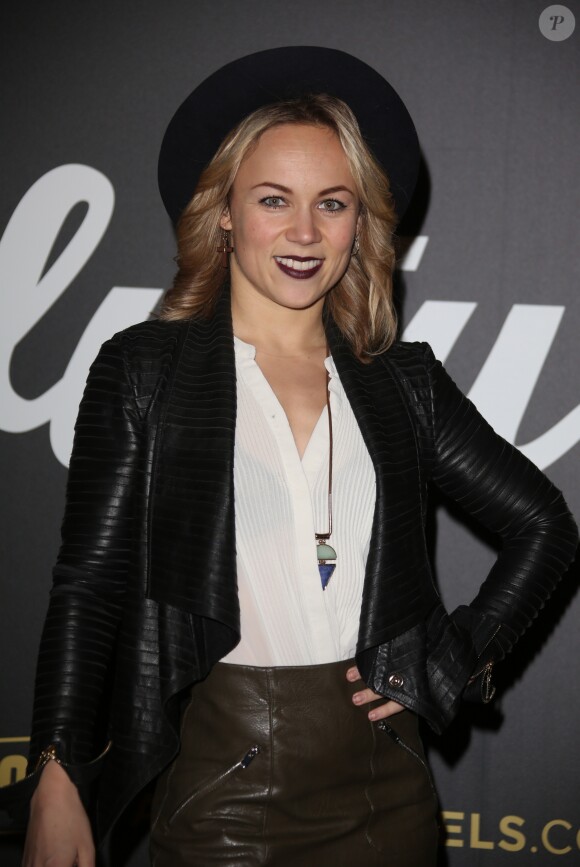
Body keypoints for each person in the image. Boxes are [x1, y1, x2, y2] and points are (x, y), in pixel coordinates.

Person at [14, 46, 578, 867]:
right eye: (274, 199)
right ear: (226, 213)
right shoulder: (145, 372)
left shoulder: (401, 382)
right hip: (224, 791)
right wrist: (57, 772)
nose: (306, 233)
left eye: (334, 203)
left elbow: (545, 524)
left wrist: (455, 659)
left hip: (392, 792)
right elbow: (90, 585)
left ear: (362, 220)